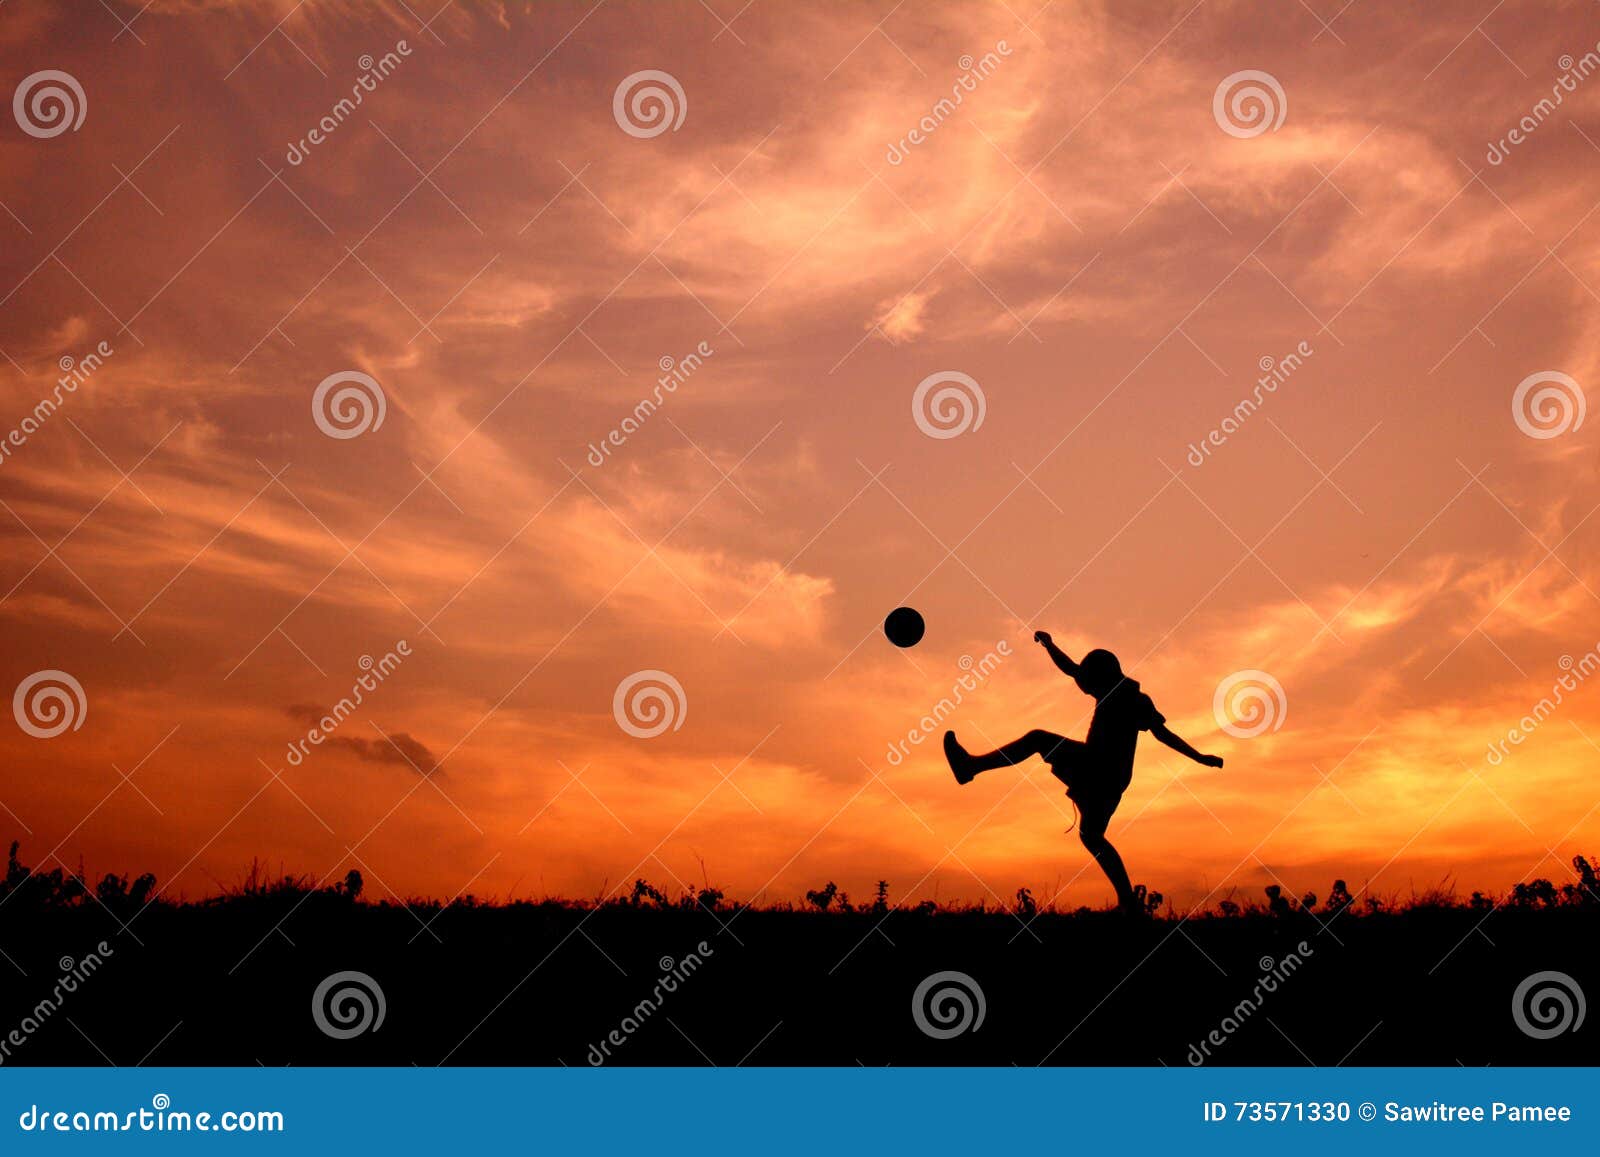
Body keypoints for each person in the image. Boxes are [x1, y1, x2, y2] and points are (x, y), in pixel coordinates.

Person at [943, 631, 1224, 915]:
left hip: (1098, 768)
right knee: (1091, 835)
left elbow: (1163, 734)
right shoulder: (1118, 691)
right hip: (1112, 780)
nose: (1084, 684)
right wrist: (1050, 646)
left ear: (1102, 676)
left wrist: (1198, 757)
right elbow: (1072, 669)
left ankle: (971, 767)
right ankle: (1128, 903)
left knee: (1038, 739)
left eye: (1089, 679)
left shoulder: (1128, 697)